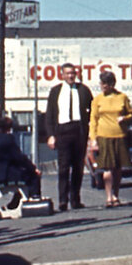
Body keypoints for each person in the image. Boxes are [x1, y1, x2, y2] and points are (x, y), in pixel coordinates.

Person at [44, 63, 95, 210]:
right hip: (63, 130)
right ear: (62, 75)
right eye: (68, 73)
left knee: (78, 167)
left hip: (79, 130)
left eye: (73, 73)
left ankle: (75, 200)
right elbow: (49, 115)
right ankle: (62, 200)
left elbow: (92, 112)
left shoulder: (83, 90)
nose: (71, 76)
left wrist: (91, 133)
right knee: (63, 167)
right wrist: (51, 135)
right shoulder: (56, 91)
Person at [88, 70, 132, 208]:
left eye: (105, 84)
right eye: (101, 83)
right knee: (107, 168)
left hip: (119, 135)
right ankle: (108, 196)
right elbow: (93, 119)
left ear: (111, 84)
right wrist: (93, 138)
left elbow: (130, 114)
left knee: (118, 168)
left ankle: (116, 194)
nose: (103, 86)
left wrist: (124, 118)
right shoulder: (98, 99)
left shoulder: (122, 97)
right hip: (104, 135)